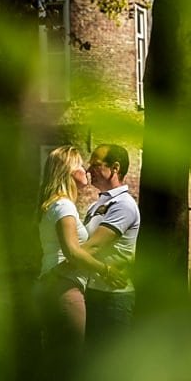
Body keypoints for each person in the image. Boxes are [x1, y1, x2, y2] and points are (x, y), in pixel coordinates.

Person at [35, 145, 113, 366]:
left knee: (57, 361)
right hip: (65, 287)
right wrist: (105, 270)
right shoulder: (64, 206)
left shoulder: (53, 205)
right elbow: (72, 251)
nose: (86, 169)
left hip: (53, 284)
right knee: (70, 364)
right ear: (68, 171)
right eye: (79, 164)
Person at [81, 144, 141, 346]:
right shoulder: (96, 205)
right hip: (95, 293)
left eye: (95, 165)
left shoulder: (123, 205)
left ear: (115, 168)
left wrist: (59, 262)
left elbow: (92, 247)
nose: (89, 171)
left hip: (113, 299)